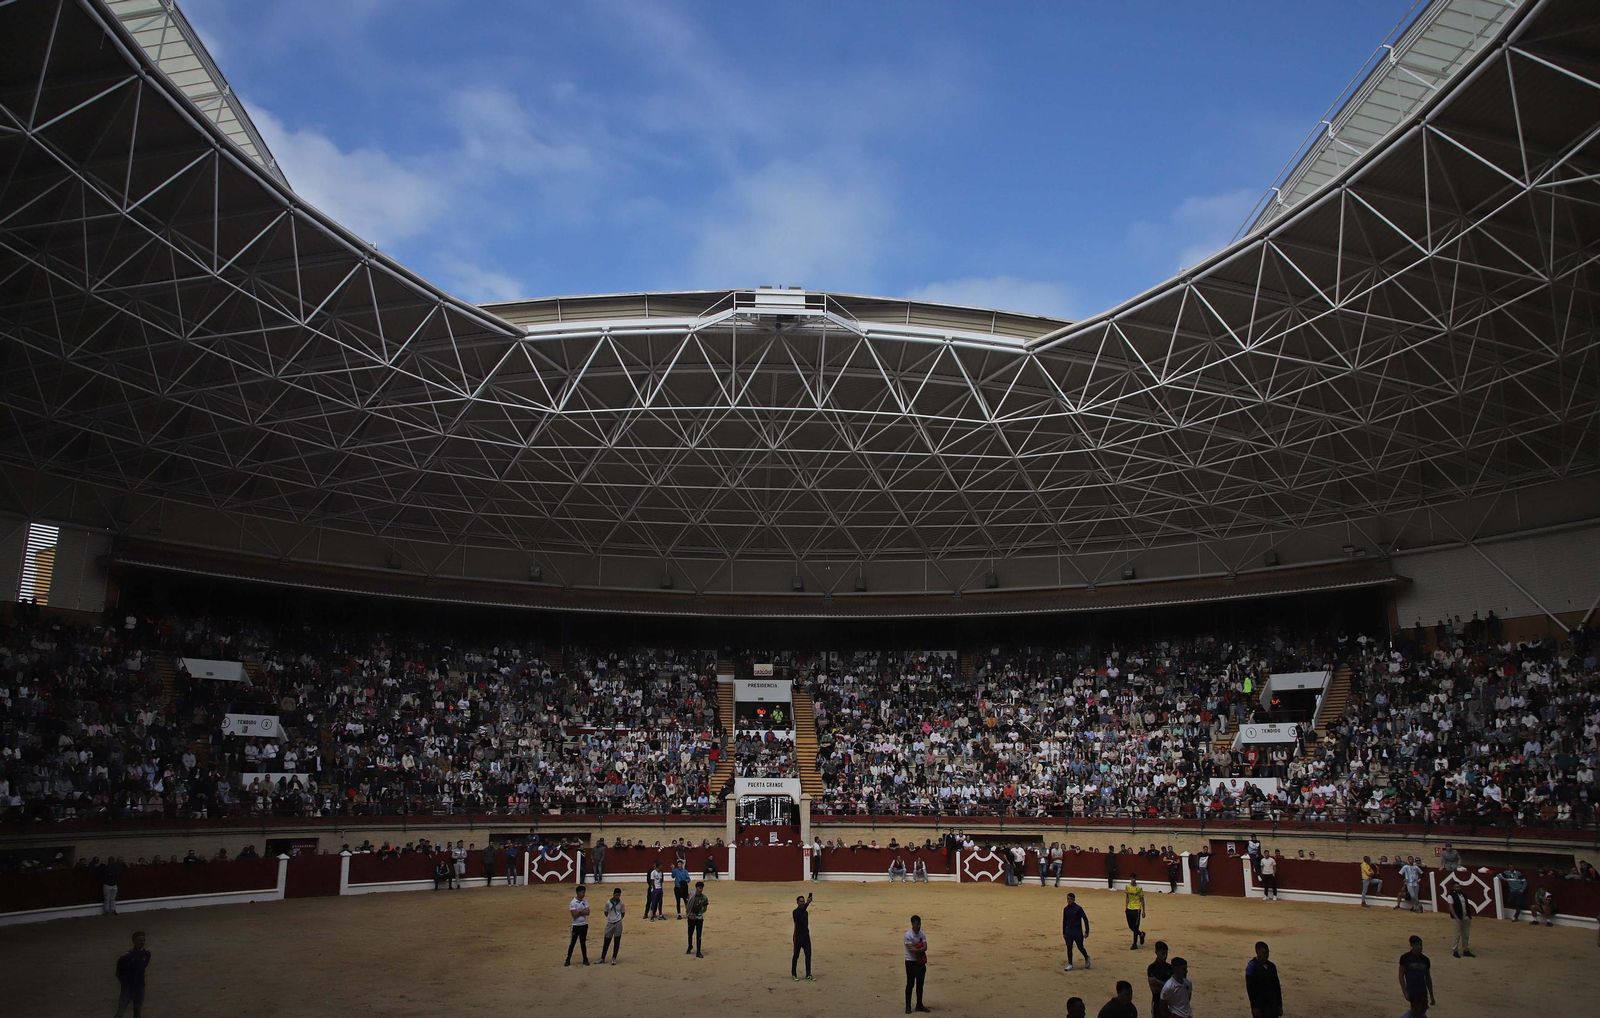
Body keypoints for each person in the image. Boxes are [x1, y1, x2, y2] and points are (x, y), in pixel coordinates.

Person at [113, 931, 150, 1018]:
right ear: (134, 941)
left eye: (143, 940)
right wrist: (125, 984)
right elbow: (118, 973)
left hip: (140, 986)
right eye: (139, 940)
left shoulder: (147, 954)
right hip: (128, 987)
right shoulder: (126, 957)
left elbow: (143, 967)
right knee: (121, 1010)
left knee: (137, 1010)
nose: (142, 942)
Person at [1398, 935, 1434, 1016]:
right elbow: (1401, 976)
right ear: (1412, 945)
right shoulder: (1405, 958)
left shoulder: (1425, 960)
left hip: (1422, 990)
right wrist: (1405, 992)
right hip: (1412, 990)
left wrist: (1431, 995)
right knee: (1417, 1012)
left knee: (1420, 1011)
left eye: (1421, 945)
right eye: (1417, 945)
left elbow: (1428, 978)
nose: (1420, 947)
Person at [1244, 941, 1282, 1018]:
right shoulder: (1252, 966)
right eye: (1264, 953)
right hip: (1260, 1006)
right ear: (1257, 952)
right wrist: (1254, 1007)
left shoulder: (1272, 966)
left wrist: (1279, 1005)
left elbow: (1277, 987)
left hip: (1272, 1005)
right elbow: (1250, 989)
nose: (1266, 955)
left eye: (1267, 952)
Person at [903, 914, 929, 1014]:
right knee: (910, 984)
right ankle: (908, 1006)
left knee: (920, 984)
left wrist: (919, 948)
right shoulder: (908, 935)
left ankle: (919, 1005)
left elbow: (925, 947)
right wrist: (921, 948)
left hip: (919, 962)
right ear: (912, 924)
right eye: (915, 925)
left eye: (919, 925)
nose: (917, 927)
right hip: (910, 962)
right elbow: (912, 950)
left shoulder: (922, 934)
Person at [1062, 891, 1092, 971]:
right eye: (1068, 899)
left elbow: (1085, 919)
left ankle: (1086, 957)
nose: (1069, 900)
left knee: (1080, 947)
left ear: (1074, 899)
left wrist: (1087, 931)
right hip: (1069, 931)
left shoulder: (1078, 908)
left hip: (1077, 932)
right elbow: (1064, 921)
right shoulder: (1065, 909)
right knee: (1069, 947)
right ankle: (1070, 963)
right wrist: (1064, 932)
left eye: (1071, 899)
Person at [565, 885, 591, 966]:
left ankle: (585, 959)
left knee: (583, 943)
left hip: (583, 925)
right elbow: (574, 915)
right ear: (578, 892)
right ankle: (568, 959)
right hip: (576, 925)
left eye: (584, 892)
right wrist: (582, 911)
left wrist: (579, 911)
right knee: (572, 943)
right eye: (582, 892)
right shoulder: (573, 902)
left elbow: (588, 913)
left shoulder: (585, 901)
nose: (583, 894)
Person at [1146, 940, 1173, 1018]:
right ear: (1156, 952)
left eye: (1166, 953)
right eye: (1162, 953)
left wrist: (1157, 981)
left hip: (1169, 1003)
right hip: (1157, 1002)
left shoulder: (1170, 967)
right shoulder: (1152, 968)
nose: (1165, 956)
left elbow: (1172, 987)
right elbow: (1154, 990)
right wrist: (1167, 985)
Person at [792, 891, 814, 980]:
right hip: (798, 937)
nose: (802, 902)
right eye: (800, 901)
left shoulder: (806, 912)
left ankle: (808, 974)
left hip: (806, 937)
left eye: (803, 901)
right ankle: (794, 974)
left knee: (808, 955)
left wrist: (807, 904)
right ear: (797, 902)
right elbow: (799, 916)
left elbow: (803, 910)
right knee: (796, 956)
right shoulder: (795, 912)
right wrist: (808, 903)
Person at [1447, 887, 1474, 958]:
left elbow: (1466, 906)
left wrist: (1468, 916)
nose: (1458, 888)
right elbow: (1451, 908)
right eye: (1456, 887)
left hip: (1465, 917)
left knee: (1466, 934)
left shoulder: (1463, 895)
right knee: (1457, 935)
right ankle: (1455, 951)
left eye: (1458, 887)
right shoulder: (1450, 896)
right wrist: (1456, 917)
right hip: (1457, 918)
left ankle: (1466, 950)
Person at [600, 887, 625, 964]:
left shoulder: (621, 903)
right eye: (616, 895)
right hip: (610, 923)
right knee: (606, 941)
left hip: (618, 923)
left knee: (617, 941)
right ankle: (602, 958)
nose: (618, 897)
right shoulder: (608, 902)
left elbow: (623, 913)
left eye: (619, 895)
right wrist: (611, 918)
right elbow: (605, 912)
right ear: (613, 894)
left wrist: (617, 919)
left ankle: (614, 958)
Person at [686, 880, 709, 957]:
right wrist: (689, 914)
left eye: (702, 888)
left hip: (699, 918)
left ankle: (698, 951)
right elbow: (687, 905)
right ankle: (690, 946)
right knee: (690, 934)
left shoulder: (704, 898)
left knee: (699, 935)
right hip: (691, 917)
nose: (701, 889)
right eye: (699, 888)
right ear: (696, 888)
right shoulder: (691, 895)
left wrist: (700, 911)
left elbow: (705, 908)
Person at [1124, 876, 1147, 949]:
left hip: (1137, 909)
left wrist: (1143, 911)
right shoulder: (1127, 887)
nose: (1133, 880)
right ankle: (1141, 934)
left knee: (1136, 926)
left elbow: (1142, 899)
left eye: (1134, 878)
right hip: (1129, 908)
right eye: (1131, 878)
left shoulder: (1139, 888)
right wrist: (1126, 907)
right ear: (1130, 879)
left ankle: (1134, 944)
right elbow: (1127, 897)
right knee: (1131, 926)